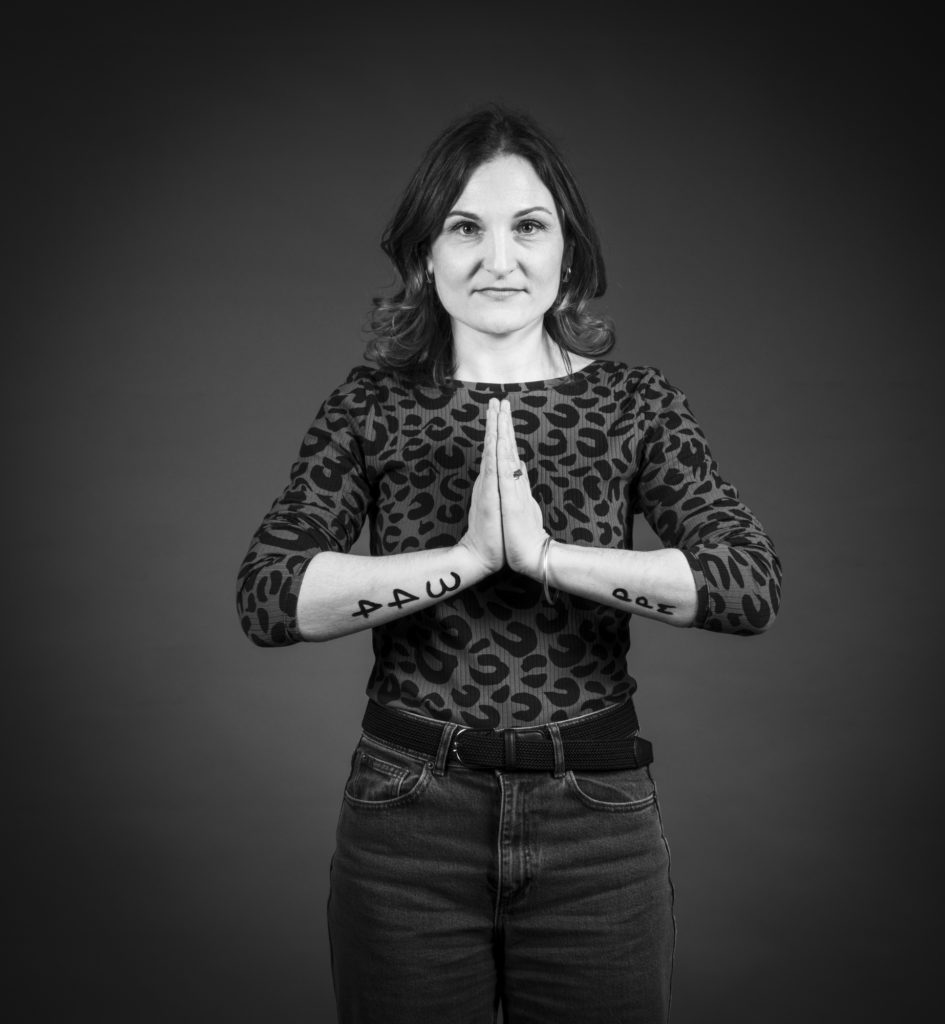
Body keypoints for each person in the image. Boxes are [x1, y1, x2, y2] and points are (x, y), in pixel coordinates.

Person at [236, 105, 781, 1024]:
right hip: (407, 817)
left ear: (568, 252)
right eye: (464, 228)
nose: (498, 259)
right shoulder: (370, 405)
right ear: (426, 256)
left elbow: (748, 583)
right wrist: (467, 559)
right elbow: (269, 595)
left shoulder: (636, 404)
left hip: (597, 823)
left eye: (528, 227)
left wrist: (547, 558)